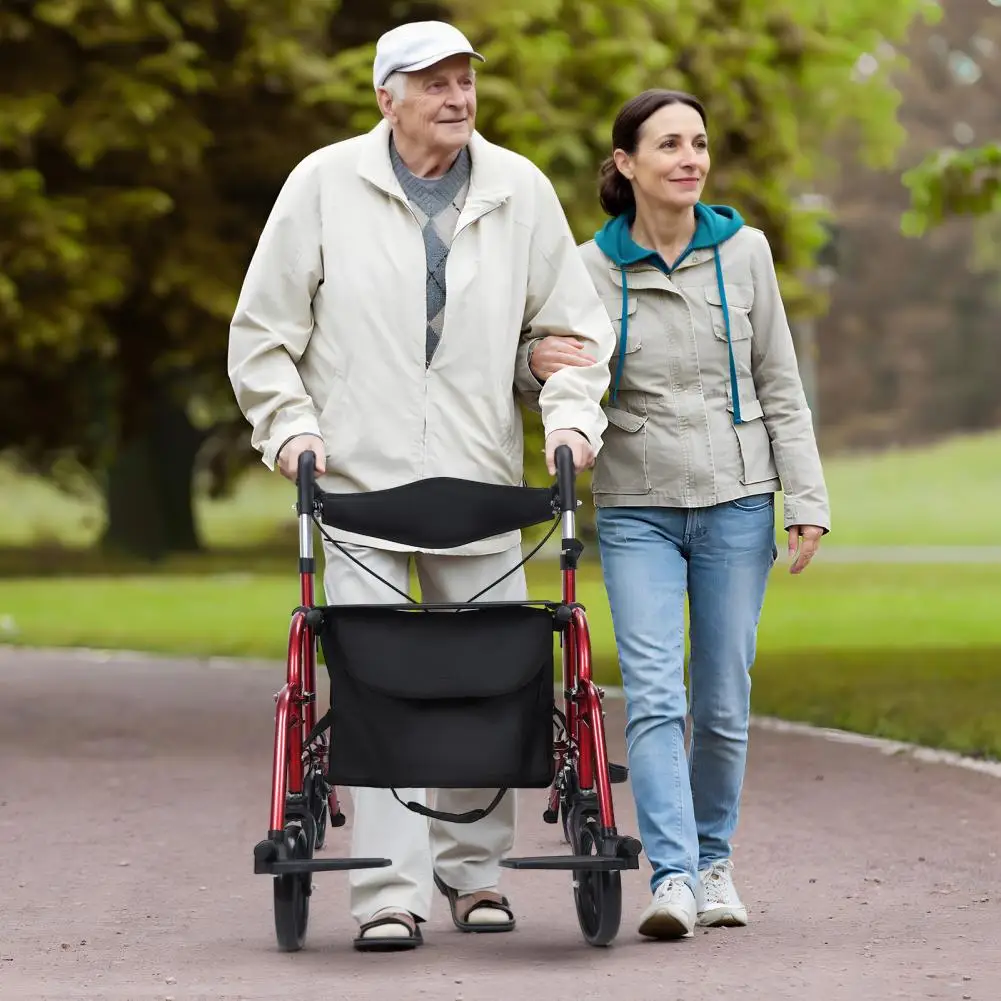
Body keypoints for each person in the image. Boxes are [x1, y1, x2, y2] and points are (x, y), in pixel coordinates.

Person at [227, 21, 614, 951]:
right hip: (354, 481)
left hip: (479, 478)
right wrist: (291, 431)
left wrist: (566, 410)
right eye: (432, 81)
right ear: (383, 98)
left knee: (489, 673)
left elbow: (570, 334)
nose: (455, 96)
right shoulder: (324, 184)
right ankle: (387, 893)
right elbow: (262, 333)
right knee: (376, 679)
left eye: (464, 79)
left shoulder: (518, 189)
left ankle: (475, 877)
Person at [528, 89, 830, 941]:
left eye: (698, 143)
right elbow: (555, 362)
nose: (690, 158)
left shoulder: (746, 255)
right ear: (626, 164)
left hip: (737, 499)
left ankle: (712, 859)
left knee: (723, 699)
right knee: (657, 696)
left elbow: (780, 383)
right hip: (637, 508)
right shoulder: (588, 269)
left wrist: (804, 498)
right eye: (669, 144)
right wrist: (531, 359)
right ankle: (669, 879)